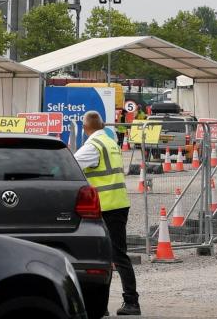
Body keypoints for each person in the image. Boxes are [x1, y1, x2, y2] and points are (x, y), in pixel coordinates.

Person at [73, 111, 141, 316]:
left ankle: (130, 302)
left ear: (86, 129)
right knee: (113, 255)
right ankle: (105, 305)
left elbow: (72, 165)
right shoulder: (110, 142)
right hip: (118, 203)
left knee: (113, 256)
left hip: (106, 207)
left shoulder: (93, 145)